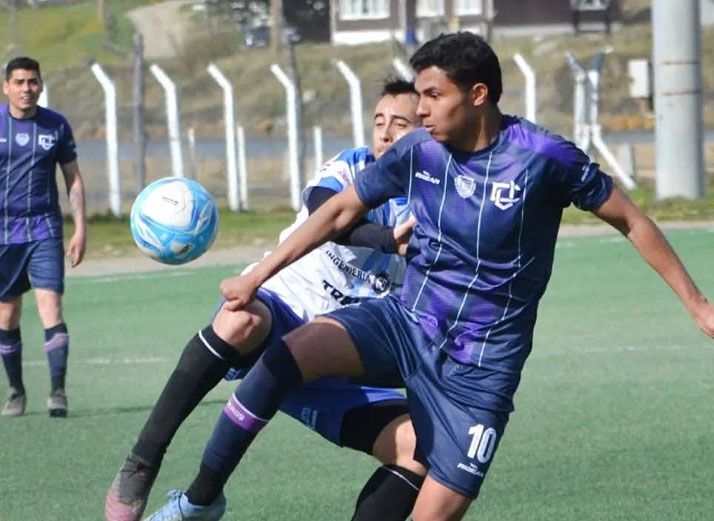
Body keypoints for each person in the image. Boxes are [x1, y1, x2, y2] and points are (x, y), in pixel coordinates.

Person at [148, 32, 714, 521]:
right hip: (405, 322)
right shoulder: (420, 151)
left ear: (479, 94)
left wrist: (698, 305)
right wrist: (257, 276)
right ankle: (201, 501)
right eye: (418, 96)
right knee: (282, 357)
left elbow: (632, 220)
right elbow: (336, 211)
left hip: (480, 369)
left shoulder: (544, 158)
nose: (420, 110)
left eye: (433, 96)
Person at [105, 78, 427, 521]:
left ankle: (199, 505)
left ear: (426, 132)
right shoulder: (351, 166)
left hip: (341, 362)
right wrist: (389, 240)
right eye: (379, 122)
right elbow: (325, 212)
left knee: (419, 448)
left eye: (401, 124)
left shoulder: (435, 199)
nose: (386, 133)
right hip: (282, 315)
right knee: (240, 320)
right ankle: (143, 461)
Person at [0, 56, 87, 418]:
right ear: (6, 87)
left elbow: (74, 179)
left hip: (44, 229)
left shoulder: (56, 125)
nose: (26, 89)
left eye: (32, 81)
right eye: (18, 82)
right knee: (7, 315)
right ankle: (17, 391)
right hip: (4, 233)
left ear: (41, 85)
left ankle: (58, 392)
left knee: (50, 304)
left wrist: (81, 227)